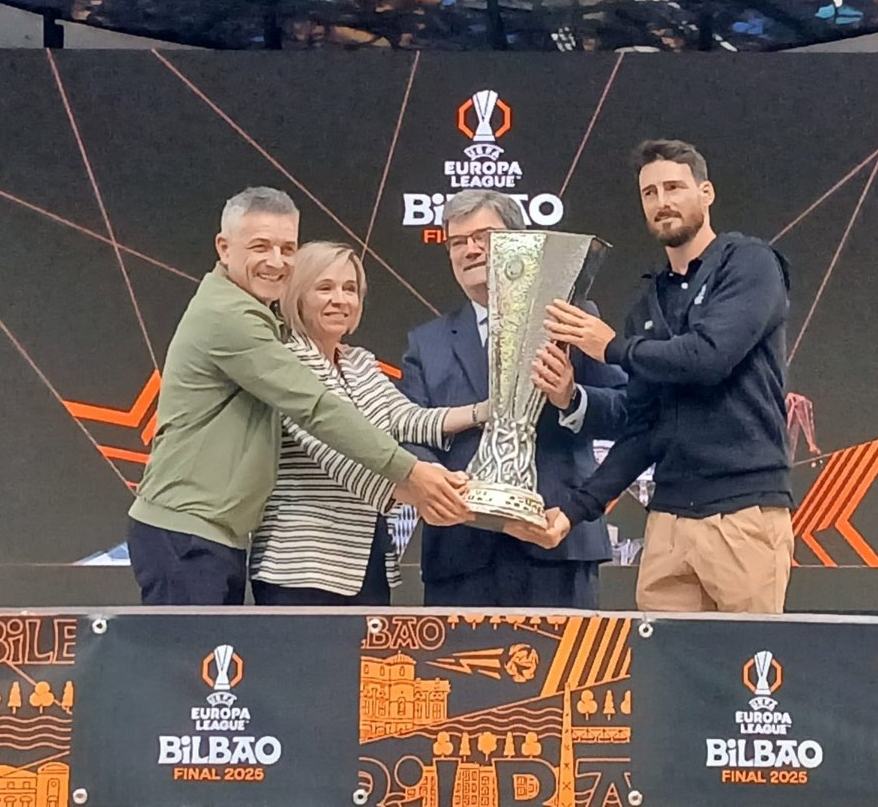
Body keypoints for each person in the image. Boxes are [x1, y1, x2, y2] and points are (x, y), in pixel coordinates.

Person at [127, 187, 468, 606]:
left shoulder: (261, 316)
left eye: (287, 248)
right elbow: (316, 409)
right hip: (189, 532)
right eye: (260, 246)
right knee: (186, 652)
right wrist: (412, 476)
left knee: (212, 650)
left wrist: (485, 413)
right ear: (224, 247)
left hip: (212, 533)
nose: (276, 261)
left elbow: (400, 416)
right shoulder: (230, 317)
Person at [547, 139, 794, 614]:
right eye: (650, 193)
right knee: (662, 658)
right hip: (667, 520)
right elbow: (642, 431)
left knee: (749, 658)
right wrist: (574, 511)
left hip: (743, 511)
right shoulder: (647, 306)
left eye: (674, 187)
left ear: (706, 192)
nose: (662, 201)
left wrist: (612, 348)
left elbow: (709, 357)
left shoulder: (749, 263)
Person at [400, 189, 628, 609]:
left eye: (483, 237)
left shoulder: (571, 316)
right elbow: (407, 433)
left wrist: (571, 397)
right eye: (457, 242)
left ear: (520, 243)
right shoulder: (426, 344)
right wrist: (443, 488)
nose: (470, 250)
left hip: (556, 541)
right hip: (460, 553)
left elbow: (626, 411)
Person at [250, 241, 488, 606]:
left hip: (367, 562)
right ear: (297, 297)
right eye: (325, 288)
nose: (340, 300)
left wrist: (484, 411)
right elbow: (337, 453)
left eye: (350, 289)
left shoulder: (359, 362)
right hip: (303, 566)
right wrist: (429, 491)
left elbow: (406, 418)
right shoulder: (285, 363)